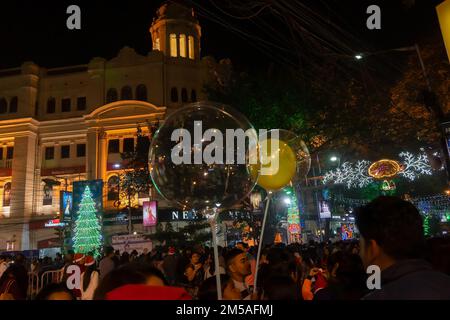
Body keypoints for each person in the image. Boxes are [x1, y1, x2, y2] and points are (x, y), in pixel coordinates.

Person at [355, 196, 450, 300]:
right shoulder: (444, 283)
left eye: (361, 246)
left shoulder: (378, 296)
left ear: (373, 248)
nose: (360, 253)